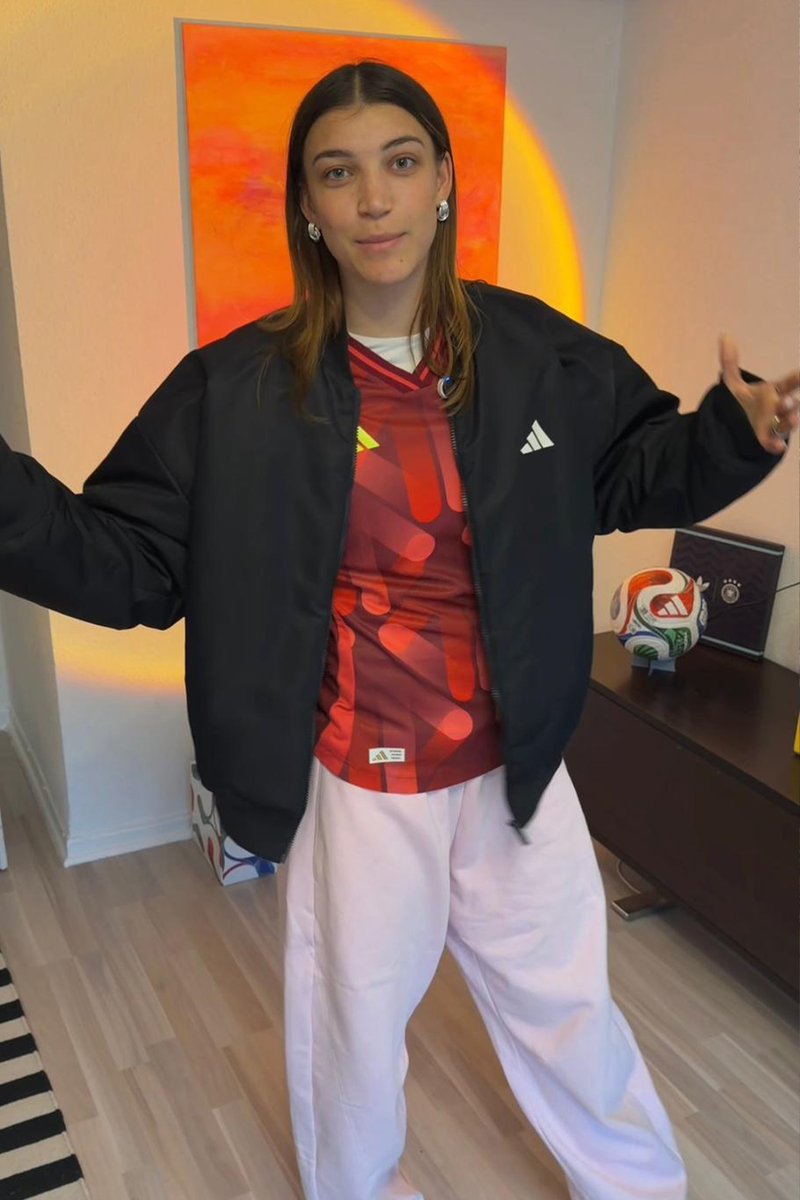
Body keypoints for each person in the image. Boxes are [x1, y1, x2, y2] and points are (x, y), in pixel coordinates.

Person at [0, 59, 796, 1200]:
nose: (371, 198)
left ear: (440, 185)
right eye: (338, 173)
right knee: (355, 1031)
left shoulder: (533, 353)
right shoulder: (233, 390)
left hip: (514, 761)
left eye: (398, 162)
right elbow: (124, 559)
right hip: (358, 777)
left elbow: (628, 471)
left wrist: (737, 433)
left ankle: (637, 1184)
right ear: (306, 209)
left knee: (569, 1001)